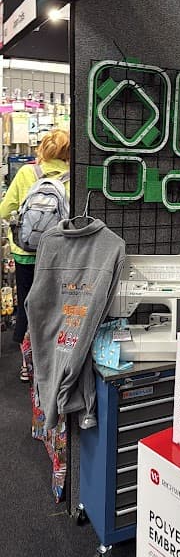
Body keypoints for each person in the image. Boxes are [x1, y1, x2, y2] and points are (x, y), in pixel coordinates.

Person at [0, 129, 70, 380]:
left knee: (28, 306)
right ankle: (53, 360)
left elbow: (5, 209)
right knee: (56, 307)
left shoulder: (26, 173)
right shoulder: (73, 178)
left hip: (24, 253)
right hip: (58, 257)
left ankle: (26, 364)